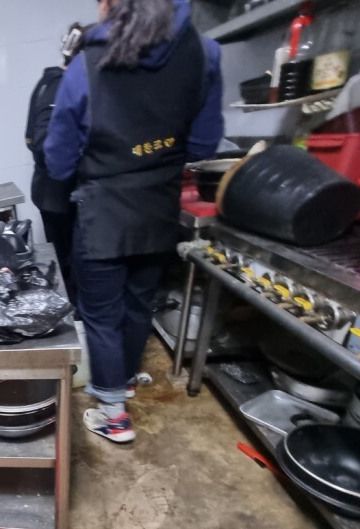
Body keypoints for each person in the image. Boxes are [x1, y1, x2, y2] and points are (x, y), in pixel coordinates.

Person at [44, 0, 223, 444]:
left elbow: (58, 161)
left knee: (101, 314)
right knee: (139, 304)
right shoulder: (204, 54)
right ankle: (122, 380)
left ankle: (114, 416)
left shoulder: (86, 65)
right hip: (158, 210)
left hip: (103, 214)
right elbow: (203, 145)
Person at [25, 24, 86, 308]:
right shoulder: (59, 86)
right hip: (60, 195)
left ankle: (76, 312)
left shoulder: (47, 82)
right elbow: (43, 144)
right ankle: (77, 318)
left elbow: (30, 138)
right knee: (72, 265)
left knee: (69, 264)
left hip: (53, 193)